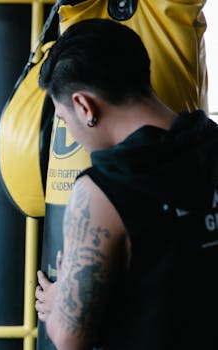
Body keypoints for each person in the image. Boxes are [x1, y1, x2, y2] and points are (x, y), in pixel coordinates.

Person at [34, 18, 218, 349]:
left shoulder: (101, 191)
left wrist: (60, 299)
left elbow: (69, 338)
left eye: (64, 120)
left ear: (84, 106)